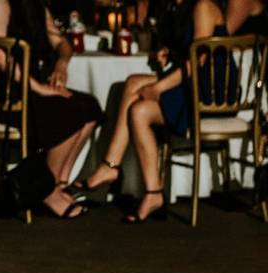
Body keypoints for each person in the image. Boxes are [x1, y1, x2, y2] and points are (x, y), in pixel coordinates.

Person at [72, 0, 231, 223]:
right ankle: (115, 168)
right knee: (132, 84)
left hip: (208, 93)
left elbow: (198, 61)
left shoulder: (204, 5)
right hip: (192, 85)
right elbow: (187, 52)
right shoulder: (183, 8)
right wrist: (168, 53)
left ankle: (143, 187)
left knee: (139, 110)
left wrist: (157, 88)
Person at [0, 0, 103, 218]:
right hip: (5, 96)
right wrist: (40, 89)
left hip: (29, 88)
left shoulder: (34, 5)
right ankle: (47, 191)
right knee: (68, 112)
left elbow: (61, 42)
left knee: (89, 107)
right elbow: (0, 57)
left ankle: (59, 183)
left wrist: (61, 63)